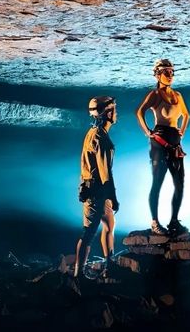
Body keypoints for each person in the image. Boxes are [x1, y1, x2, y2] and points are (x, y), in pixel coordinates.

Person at [135, 58, 190, 235]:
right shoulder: (155, 95)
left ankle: (174, 221)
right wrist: (148, 132)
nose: (170, 75)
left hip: (174, 139)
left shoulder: (178, 96)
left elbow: (186, 115)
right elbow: (139, 112)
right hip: (159, 140)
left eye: (172, 72)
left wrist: (181, 132)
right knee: (157, 182)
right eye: (166, 72)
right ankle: (155, 222)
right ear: (158, 74)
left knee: (179, 183)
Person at [73, 95, 119, 278]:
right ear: (108, 113)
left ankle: (109, 264)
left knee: (109, 224)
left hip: (94, 189)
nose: (116, 112)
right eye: (114, 109)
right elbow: (105, 173)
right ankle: (78, 274)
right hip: (96, 191)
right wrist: (113, 197)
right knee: (89, 233)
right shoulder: (101, 139)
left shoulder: (93, 133)